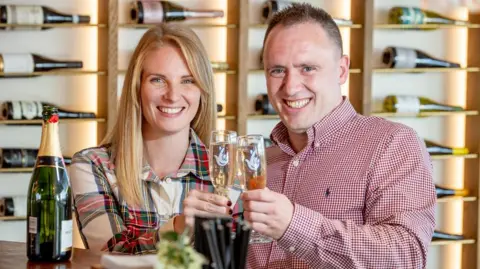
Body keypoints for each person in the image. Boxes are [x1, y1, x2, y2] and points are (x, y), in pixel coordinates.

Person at [241, 3, 436, 268]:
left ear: (342, 70)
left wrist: (293, 225)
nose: (291, 86)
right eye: (277, 70)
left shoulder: (392, 144)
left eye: (307, 68)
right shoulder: (263, 162)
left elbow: (406, 255)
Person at [69, 24, 233, 254]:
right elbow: (109, 255)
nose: (173, 95)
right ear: (137, 88)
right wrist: (176, 228)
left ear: (202, 92)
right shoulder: (94, 166)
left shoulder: (228, 169)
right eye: (158, 80)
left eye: (188, 80)